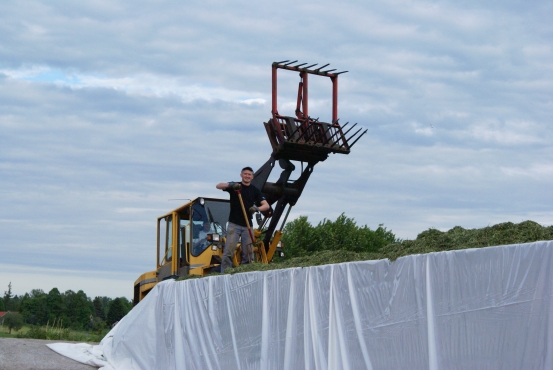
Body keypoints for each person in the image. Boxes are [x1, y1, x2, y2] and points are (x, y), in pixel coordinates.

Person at [216, 166, 270, 272]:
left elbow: (266, 205)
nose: (247, 176)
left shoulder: (255, 190)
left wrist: (256, 208)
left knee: (249, 252)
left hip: (248, 225)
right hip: (234, 224)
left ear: (252, 177)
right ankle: (225, 272)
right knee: (229, 250)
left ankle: (247, 271)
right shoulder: (236, 187)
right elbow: (218, 185)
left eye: (249, 174)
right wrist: (231, 185)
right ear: (241, 175)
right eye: (245, 174)